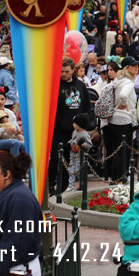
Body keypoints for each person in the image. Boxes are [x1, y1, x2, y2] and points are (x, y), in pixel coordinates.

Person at [53, 57, 91, 192]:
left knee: (75, 160)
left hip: (77, 130)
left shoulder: (80, 85)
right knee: (59, 159)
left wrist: (84, 122)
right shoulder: (56, 85)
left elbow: (86, 104)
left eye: (67, 71)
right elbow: (53, 107)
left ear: (72, 71)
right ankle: (53, 185)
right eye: (62, 71)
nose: (64, 74)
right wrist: (60, 123)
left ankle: (69, 186)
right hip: (61, 129)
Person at [107, 56, 139, 183]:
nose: (137, 68)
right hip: (124, 119)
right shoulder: (128, 83)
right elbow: (123, 95)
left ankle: (115, 177)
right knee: (123, 150)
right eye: (134, 66)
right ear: (127, 68)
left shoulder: (118, 81)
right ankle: (121, 178)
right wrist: (123, 104)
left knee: (117, 149)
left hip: (114, 119)